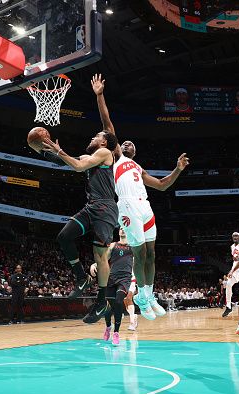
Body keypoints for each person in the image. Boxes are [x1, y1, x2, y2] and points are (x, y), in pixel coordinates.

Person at [91, 73, 189, 321]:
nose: (127, 144)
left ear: (135, 151)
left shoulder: (137, 168)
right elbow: (108, 126)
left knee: (152, 253)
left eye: (131, 144)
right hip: (126, 207)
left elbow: (163, 185)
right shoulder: (116, 159)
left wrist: (177, 169)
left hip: (145, 207)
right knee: (141, 254)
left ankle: (149, 294)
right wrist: (100, 95)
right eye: (124, 142)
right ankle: (141, 300)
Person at [41, 129, 119, 324]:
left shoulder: (105, 153)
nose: (93, 137)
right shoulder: (92, 156)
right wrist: (40, 147)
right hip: (91, 207)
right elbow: (65, 161)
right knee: (64, 237)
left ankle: (102, 302)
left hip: (105, 208)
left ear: (104, 143)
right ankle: (81, 277)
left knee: (100, 256)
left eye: (97, 136)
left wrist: (59, 151)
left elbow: (77, 166)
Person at [103, 228, 134, 346]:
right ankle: (108, 327)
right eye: (120, 228)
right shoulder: (113, 245)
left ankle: (116, 332)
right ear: (119, 232)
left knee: (118, 301)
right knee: (107, 305)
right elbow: (104, 258)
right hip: (111, 278)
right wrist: (96, 264)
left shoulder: (133, 247)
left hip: (125, 279)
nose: (122, 230)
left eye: (125, 228)